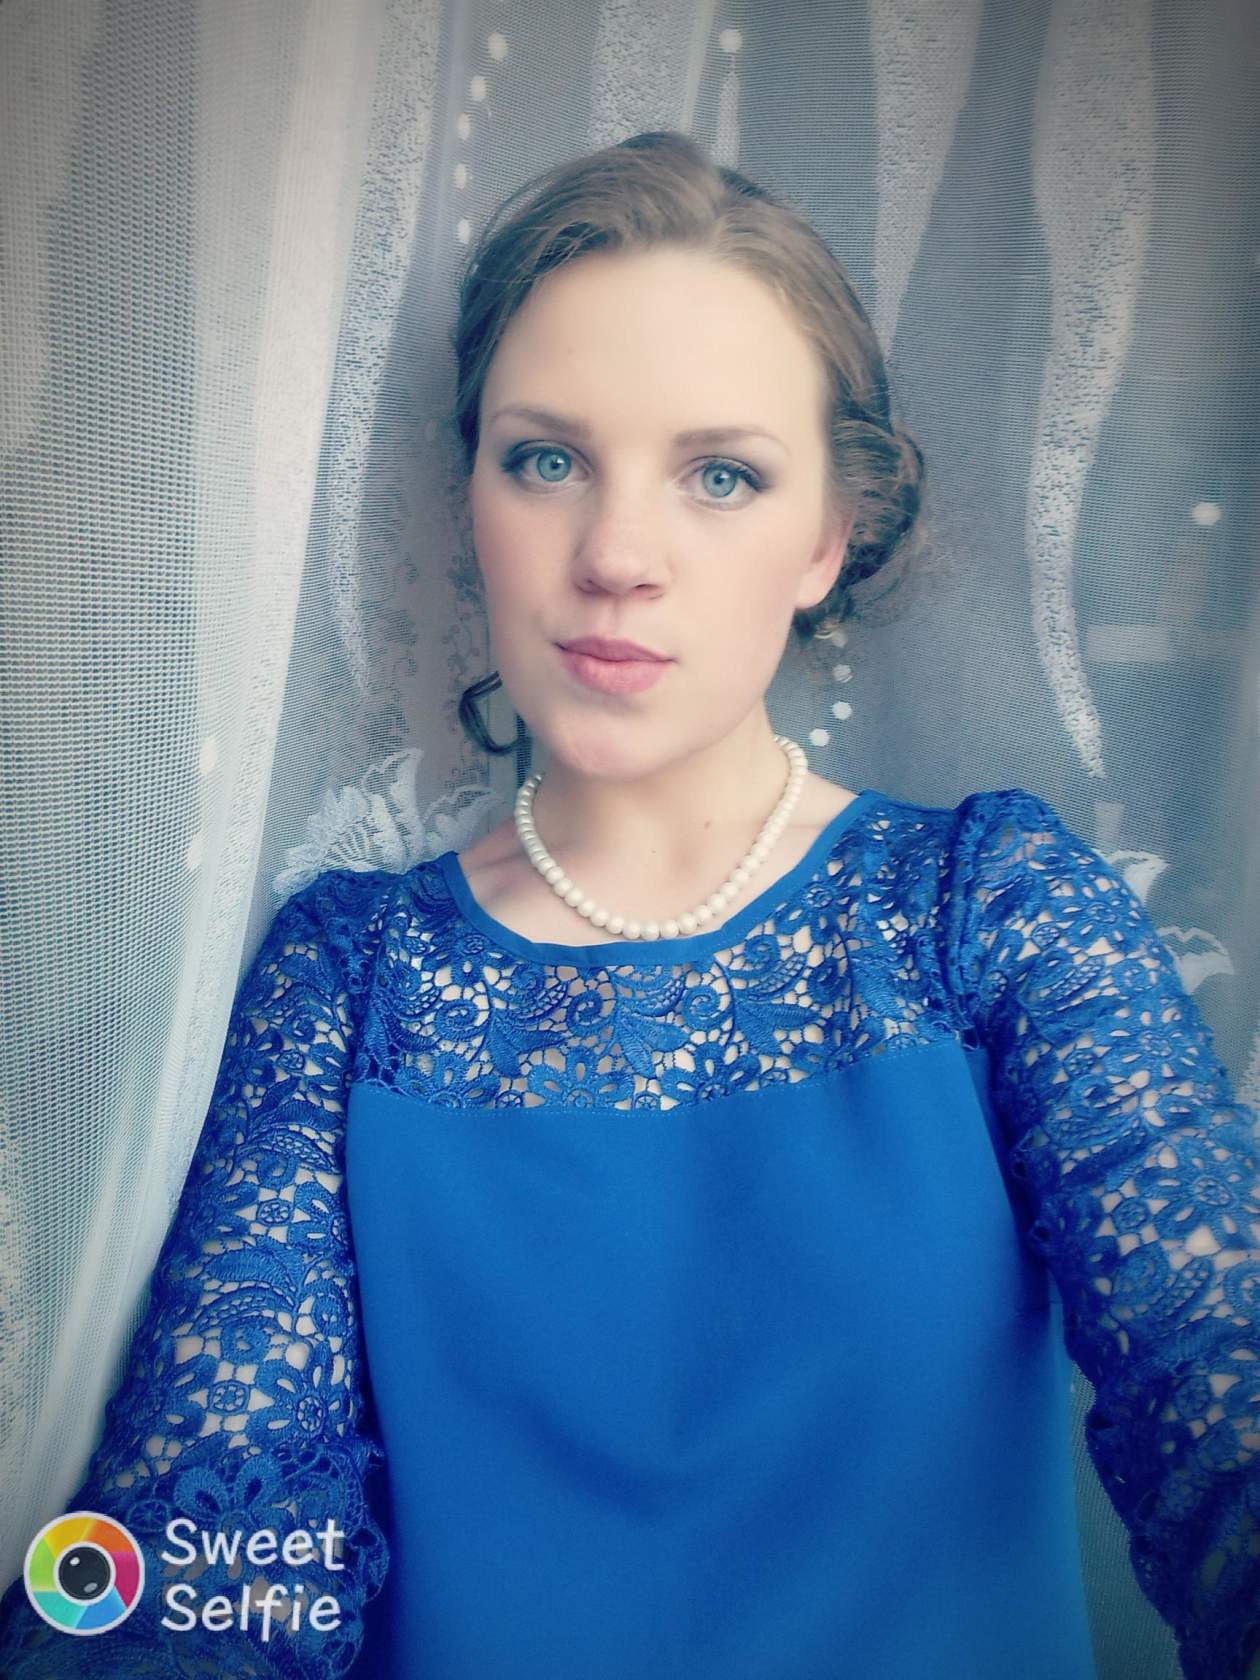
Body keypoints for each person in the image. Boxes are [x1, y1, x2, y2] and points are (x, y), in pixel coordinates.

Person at [1, 129, 1256, 1680]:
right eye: (547, 459)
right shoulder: (348, 980)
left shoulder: (990, 915)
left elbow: (1224, 1389)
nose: (613, 558)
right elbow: (211, 1538)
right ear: (469, 493)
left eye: (720, 475)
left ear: (826, 538)